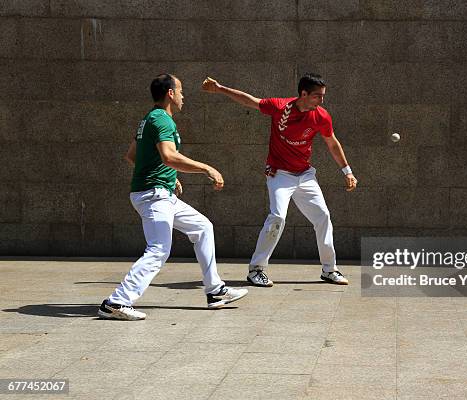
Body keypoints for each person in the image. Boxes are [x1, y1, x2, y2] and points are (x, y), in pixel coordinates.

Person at [98, 74, 248, 320]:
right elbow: (168, 156)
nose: (183, 96)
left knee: (202, 227)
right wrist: (206, 168)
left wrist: (166, 173)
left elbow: (132, 156)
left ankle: (215, 291)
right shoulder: (163, 120)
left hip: (160, 194)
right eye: (180, 91)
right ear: (170, 93)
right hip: (154, 196)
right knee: (158, 249)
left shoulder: (149, 119)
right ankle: (117, 301)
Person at [201, 73, 358, 287]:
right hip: (279, 174)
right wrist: (220, 89)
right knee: (277, 217)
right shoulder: (280, 107)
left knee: (322, 217)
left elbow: (332, 143)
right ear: (303, 94)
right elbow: (251, 101)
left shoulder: (321, 116)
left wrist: (347, 171)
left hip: (305, 175)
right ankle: (256, 269)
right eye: (317, 96)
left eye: (323, 96)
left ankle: (330, 270)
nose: (321, 101)